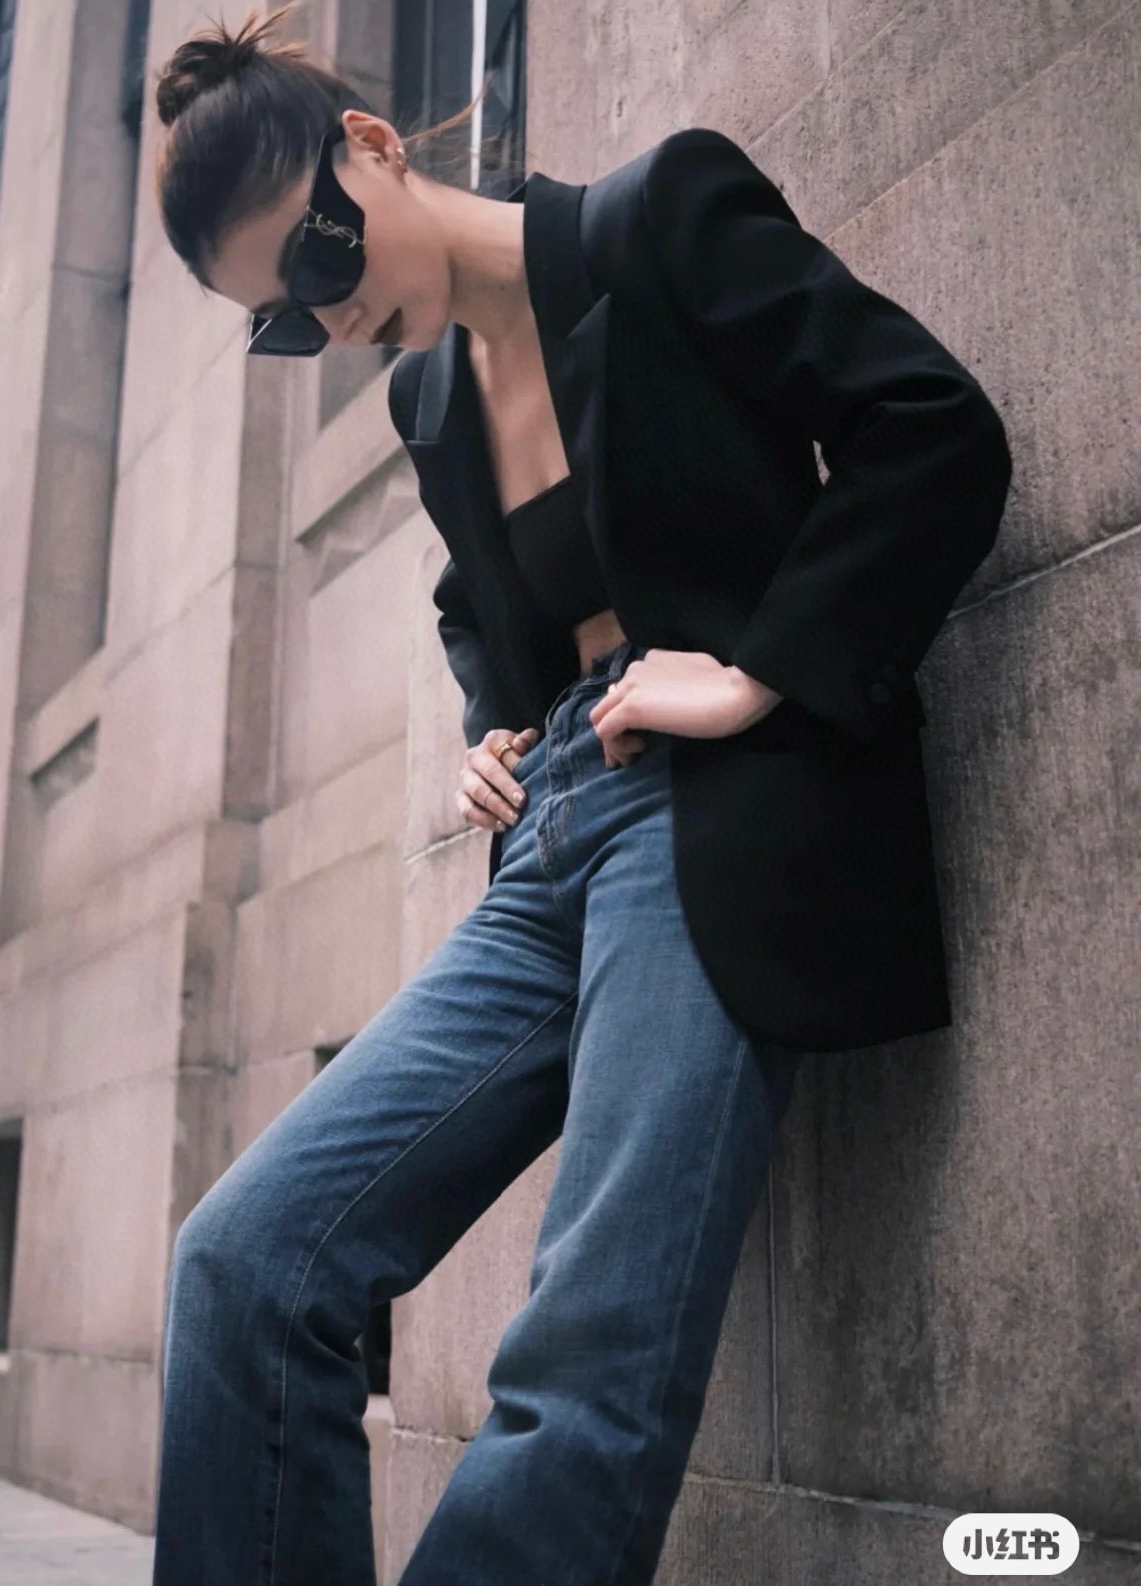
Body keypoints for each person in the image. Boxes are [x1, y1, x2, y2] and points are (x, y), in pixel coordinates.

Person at [147, 7, 1013, 1585]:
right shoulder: (428, 399)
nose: (327, 318)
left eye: (321, 261)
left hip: (716, 814)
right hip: (550, 845)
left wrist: (753, 673)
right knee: (242, 1262)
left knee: (579, 1358)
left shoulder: (659, 221)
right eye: (281, 319)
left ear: (372, 149)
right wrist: (493, 724)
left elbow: (932, 429)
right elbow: (481, 606)